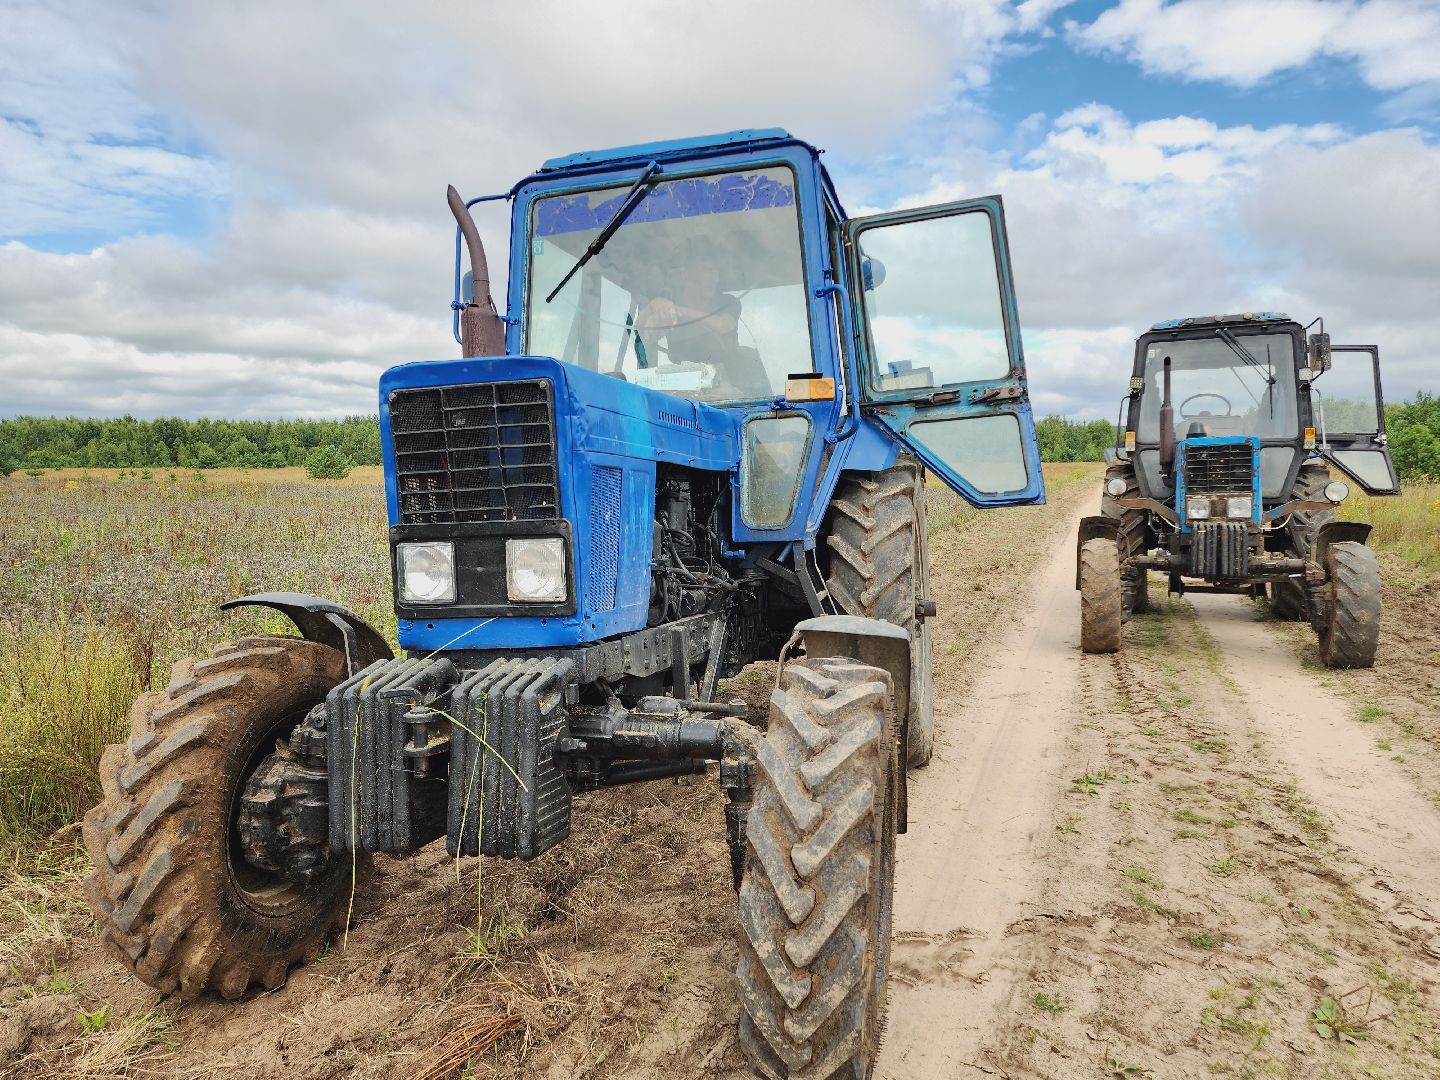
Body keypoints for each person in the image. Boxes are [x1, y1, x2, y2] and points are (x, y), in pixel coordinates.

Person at [635, 239, 741, 370]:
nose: (716, 279)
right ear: (686, 274)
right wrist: (653, 306)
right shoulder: (669, 299)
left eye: (717, 271)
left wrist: (675, 310)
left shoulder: (729, 302)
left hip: (729, 380)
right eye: (708, 270)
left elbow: (723, 325)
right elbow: (638, 330)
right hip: (680, 379)